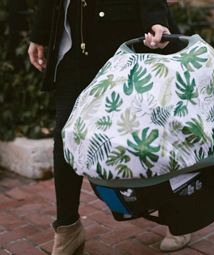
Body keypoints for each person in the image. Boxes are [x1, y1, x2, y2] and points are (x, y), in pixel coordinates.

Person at [28, 0, 190, 254]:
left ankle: (178, 216)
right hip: (74, 46)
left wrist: (156, 21)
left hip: (123, 42)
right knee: (67, 135)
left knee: (149, 134)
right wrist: (40, 32)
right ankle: (68, 228)